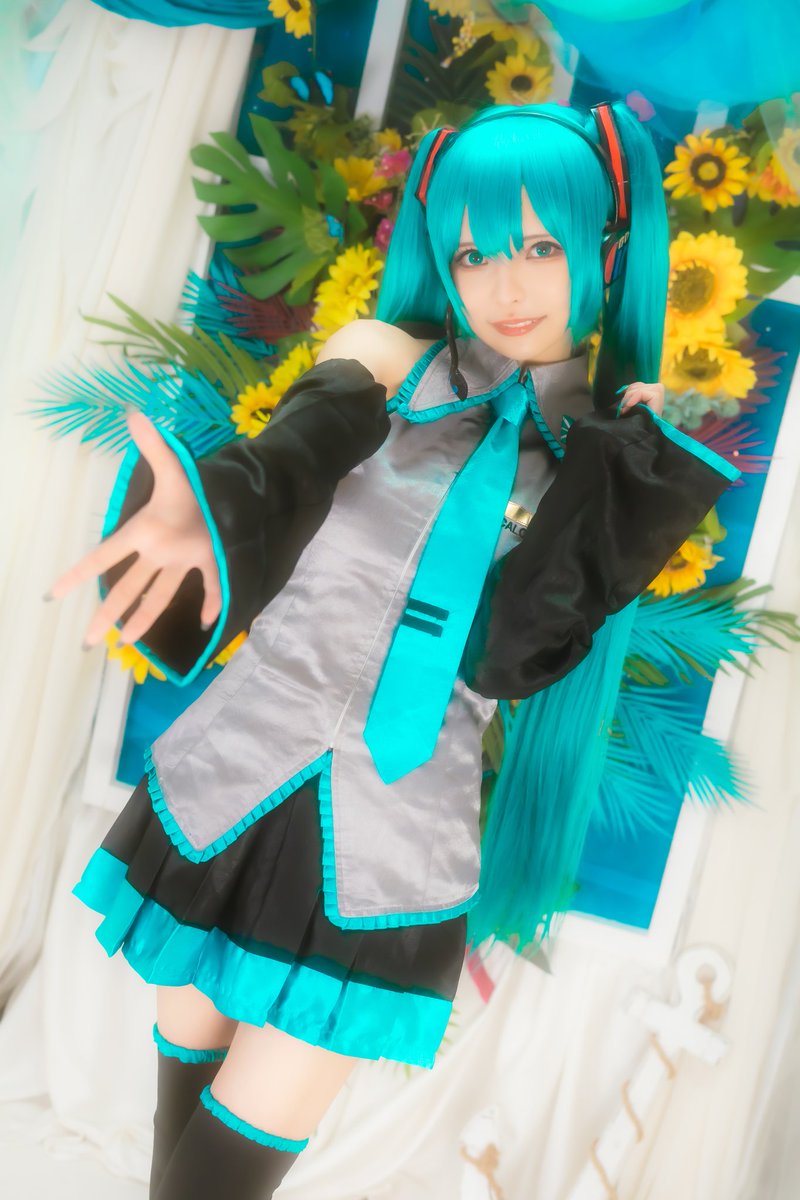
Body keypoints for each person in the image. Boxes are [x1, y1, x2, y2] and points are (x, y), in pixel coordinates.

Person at [48, 101, 740, 1199]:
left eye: (540, 247)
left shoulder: (607, 458)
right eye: (474, 253)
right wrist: (207, 515)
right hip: (230, 781)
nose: (505, 285)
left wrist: (624, 476)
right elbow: (291, 459)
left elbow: (511, 654)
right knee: (177, 1158)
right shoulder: (389, 361)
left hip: (387, 847)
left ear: (605, 251)